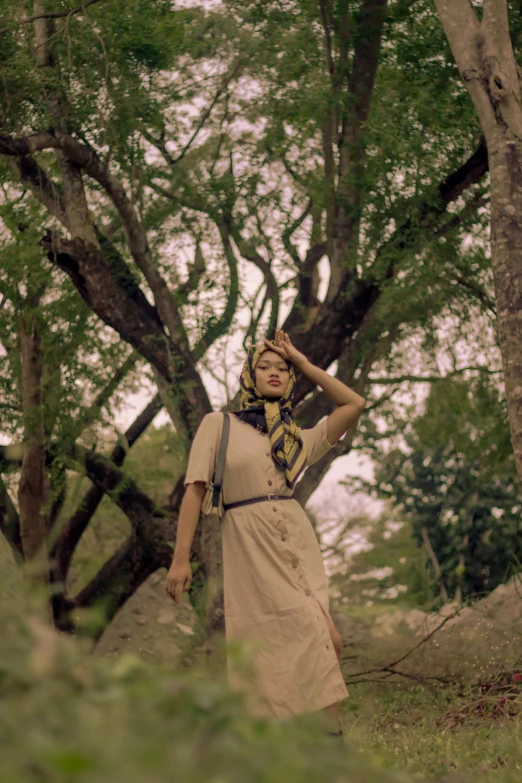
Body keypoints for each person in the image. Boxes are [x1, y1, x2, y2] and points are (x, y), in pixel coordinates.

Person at [165, 329, 366, 735]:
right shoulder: (218, 425)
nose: (274, 372)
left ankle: (326, 745)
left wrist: (305, 363)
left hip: (294, 541)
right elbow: (195, 490)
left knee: (327, 639)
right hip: (249, 543)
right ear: (249, 375)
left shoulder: (295, 440)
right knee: (269, 650)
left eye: (282, 368)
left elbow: (354, 403)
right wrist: (180, 557)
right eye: (264, 366)